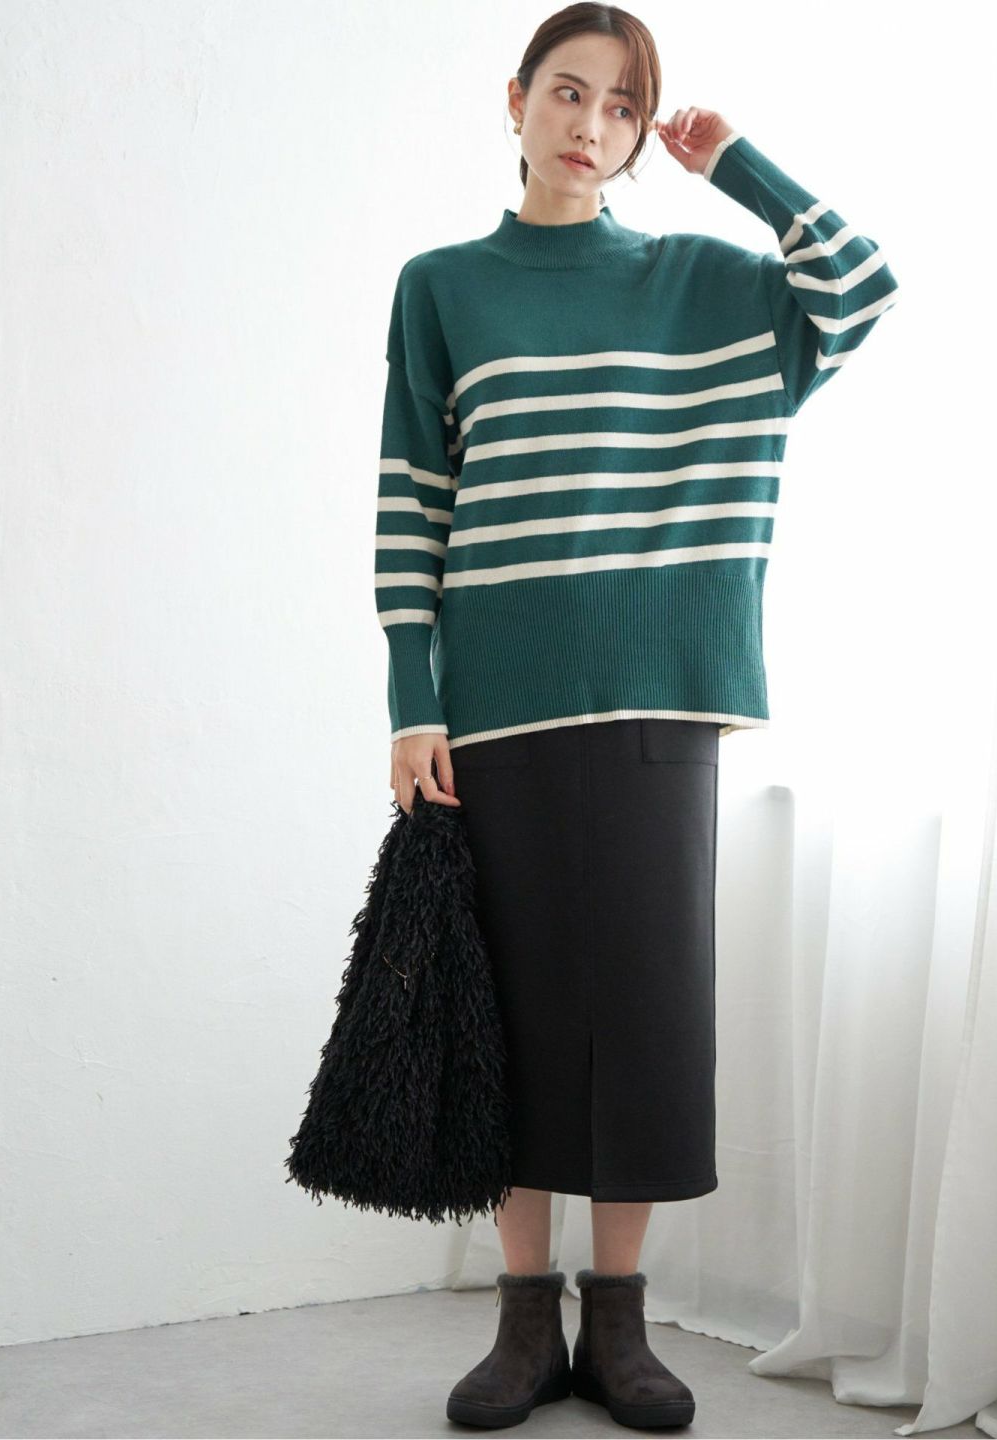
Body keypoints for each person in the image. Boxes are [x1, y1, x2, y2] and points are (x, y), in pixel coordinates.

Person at [372, 3, 898, 1427]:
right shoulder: (443, 286)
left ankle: (618, 1323)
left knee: (644, 1013)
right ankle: (523, 1322)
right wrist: (414, 703)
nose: (590, 123)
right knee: (510, 1011)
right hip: (497, 708)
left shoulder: (705, 285)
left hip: (663, 695)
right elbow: (413, 498)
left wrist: (740, 165)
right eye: (568, 91)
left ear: (637, 133)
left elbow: (862, 286)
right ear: (517, 100)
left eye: (620, 105)